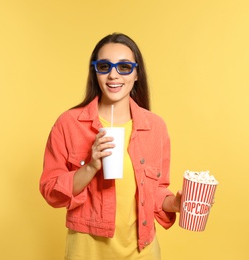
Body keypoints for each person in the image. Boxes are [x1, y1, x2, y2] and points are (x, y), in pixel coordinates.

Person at [40, 33, 182, 260]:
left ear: (137, 74)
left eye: (124, 67)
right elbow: (51, 192)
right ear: (95, 72)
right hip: (87, 253)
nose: (113, 74)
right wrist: (90, 166)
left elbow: (154, 192)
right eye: (104, 66)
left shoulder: (155, 127)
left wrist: (175, 203)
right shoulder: (68, 124)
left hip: (142, 252)